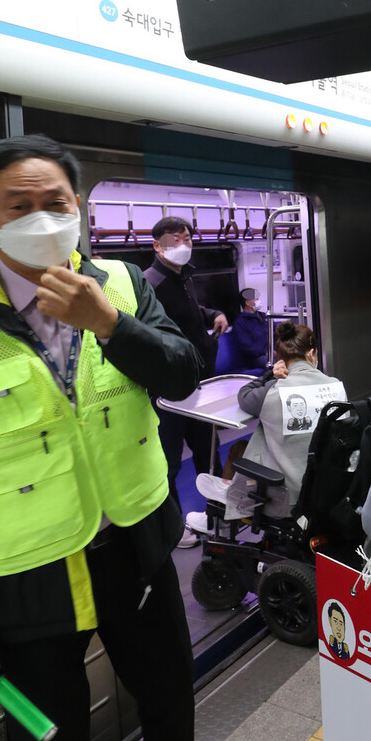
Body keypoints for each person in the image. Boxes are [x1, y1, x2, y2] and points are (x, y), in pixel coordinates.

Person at [0, 135, 242, 741]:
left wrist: (108, 323)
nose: (43, 217)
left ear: (81, 207)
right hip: (20, 589)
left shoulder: (121, 283)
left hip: (133, 546)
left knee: (166, 680)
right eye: (19, 203)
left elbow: (183, 368)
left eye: (57, 199)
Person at [144, 216, 228, 542]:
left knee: (210, 453)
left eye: (188, 238)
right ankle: (175, 529)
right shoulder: (151, 284)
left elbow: (191, 313)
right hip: (168, 393)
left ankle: (217, 516)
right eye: (174, 240)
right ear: (157, 245)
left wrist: (212, 315)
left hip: (200, 387)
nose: (183, 245)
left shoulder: (183, 277)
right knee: (169, 463)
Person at [232, 321, 347, 513]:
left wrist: (271, 374)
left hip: (286, 497)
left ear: (282, 361)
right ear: (311, 354)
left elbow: (244, 394)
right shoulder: (336, 386)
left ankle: (228, 517)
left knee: (238, 449)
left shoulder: (272, 391)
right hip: (331, 489)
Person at [214, 286, 268, 375]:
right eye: (256, 299)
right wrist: (266, 352)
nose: (259, 301)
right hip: (255, 358)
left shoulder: (264, 317)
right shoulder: (240, 323)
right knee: (273, 364)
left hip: (270, 353)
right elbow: (247, 347)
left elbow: (275, 334)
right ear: (247, 302)